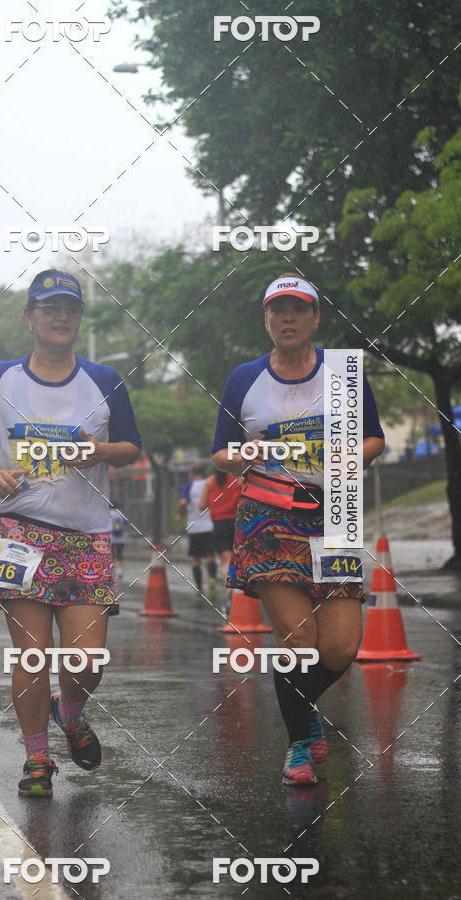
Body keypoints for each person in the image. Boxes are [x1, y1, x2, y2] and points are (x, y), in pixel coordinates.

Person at [212, 273, 385, 786]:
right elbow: (220, 453)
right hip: (269, 516)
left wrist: (349, 458)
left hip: (334, 515)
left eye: (297, 310)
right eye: (277, 311)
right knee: (298, 638)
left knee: (339, 647)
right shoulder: (244, 378)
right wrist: (252, 451)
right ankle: (298, 747)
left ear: (315, 318)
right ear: (266, 320)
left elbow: (375, 438)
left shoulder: (345, 372)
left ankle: (301, 708)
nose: (287, 318)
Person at [0, 269, 141, 798]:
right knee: (31, 654)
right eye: (49, 308)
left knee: (86, 659)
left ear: (78, 319)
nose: (60, 317)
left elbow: (131, 449)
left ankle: (69, 710)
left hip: (86, 534)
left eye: (70, 308)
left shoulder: (105, 378)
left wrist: (96, 450)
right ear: (29, 316)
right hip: (19, 534)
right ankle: (37, 759)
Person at [198, 469, 242, 616]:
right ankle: (241, 591)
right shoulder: (237, 479)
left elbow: (201, 505)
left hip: (219, 523)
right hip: (236, 521)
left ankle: (230, 590)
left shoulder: (209, 482)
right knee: (239, 559)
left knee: (226, 561)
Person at [178, 464, 217, 597]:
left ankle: (199, 587)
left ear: (192, 474)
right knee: (210, 556)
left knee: (195, 558)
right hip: (210, 525)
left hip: (194, 527)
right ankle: (212, 579)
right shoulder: (209, 484)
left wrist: (180, 514)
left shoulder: (188, 487)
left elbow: (183, 502)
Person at [110, 501, 127, 580]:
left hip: (112, 538)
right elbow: (125, 524)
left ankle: (112, 571)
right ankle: (120, 571)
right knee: (120, 555)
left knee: (112, 555)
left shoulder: (109, 513)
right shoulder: (121, 513)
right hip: (121, 538)